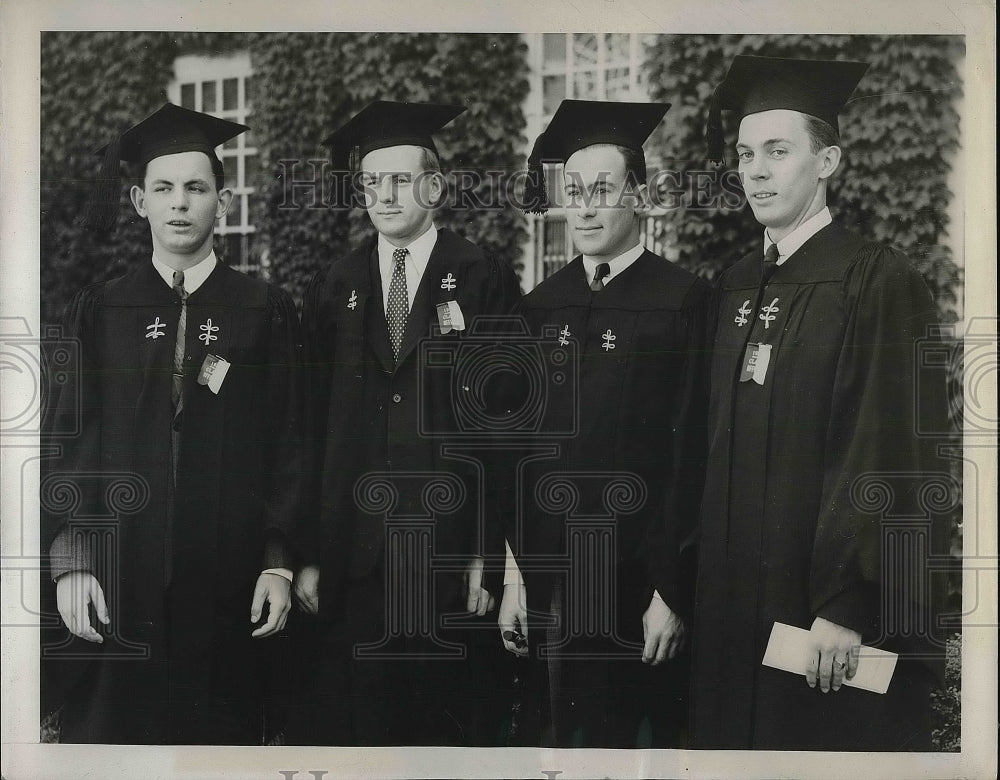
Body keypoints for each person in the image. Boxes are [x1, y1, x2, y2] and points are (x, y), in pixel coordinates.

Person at [691, 54, 950, 750]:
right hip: (727, 618)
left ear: (828, 159)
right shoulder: (732, 288)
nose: (756, 170)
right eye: (746, 154)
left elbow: (894, 451)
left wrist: (851, 603)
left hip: (819, 625)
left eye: (779, 151)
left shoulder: (875, 280)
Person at [40, 103, 303, 744]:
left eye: (196, 187)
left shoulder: (263, 309)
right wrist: (72, 560)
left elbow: (289, 442)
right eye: (163, 188)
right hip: (120, 576)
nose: (179, 204)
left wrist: (278, 562)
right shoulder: (102, 309)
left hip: (227, 582)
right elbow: (70, 439)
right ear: (138, 201)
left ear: (223, 198)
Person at [294, 100, 522, 745]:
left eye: (398, 180)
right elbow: (310, 428)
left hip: (450, 564)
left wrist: (489, 552)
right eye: (371, 183)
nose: (383, 196)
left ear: (434, 185)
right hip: (355, 564)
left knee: (445, 737)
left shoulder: (482, 277)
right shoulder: (336, 285)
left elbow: (506, 427)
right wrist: (307, 558)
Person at [497, 99, 710, 748]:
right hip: (551, 583)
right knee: (558, 744)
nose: (584, 207)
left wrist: (672, 593)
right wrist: (512, 578)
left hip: (639, 587)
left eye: (602, 190)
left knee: (638, 748)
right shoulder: (539, 306)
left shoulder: (684, 300)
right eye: (573, 192)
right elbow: (514, 453)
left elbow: (693, 454)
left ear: (639, 197)